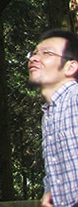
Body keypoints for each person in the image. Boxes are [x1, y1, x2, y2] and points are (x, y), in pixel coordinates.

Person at [28, 28, 78, 207]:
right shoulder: (49, 114)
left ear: (70, 67)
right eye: (34, 53)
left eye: (46, 53)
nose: (33, 58)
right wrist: (50, 191)